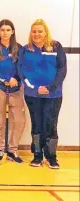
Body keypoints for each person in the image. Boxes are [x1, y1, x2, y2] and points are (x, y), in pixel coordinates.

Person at [18, 19, 67, 169]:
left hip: (53, 95)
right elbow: (22, 71)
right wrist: (35, 88)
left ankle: (52, 157)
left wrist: (50, 87)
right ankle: (37, 156)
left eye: (40, 31)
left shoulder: (56, 47)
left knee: (51, 125)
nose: (37, 34)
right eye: (34, 31)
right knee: (37, 124)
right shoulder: (26, 49)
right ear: (30, 33)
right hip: (33, 95)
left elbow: (62, 70)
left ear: (46, 32)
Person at [0, 19, 25, 164]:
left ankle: (12, 150)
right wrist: (5, 79)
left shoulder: (19, 49)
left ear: (12, 32)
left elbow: (23, 68)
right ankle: (1, 149)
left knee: (20, 120)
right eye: (2, 30)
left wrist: (15, 79)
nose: (5, 32)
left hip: (15, 88)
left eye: (8, 30)